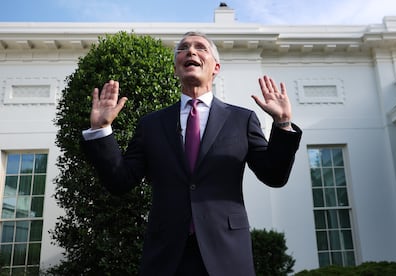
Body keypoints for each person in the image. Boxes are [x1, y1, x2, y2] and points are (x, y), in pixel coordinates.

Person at [81, 31, 302, 276]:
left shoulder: (241, 119)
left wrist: (282, 124)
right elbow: (120, 181)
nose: (191, 51)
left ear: (215, 67)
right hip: (166, 255)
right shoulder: (151, 124)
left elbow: (274, 175)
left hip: (227, 253)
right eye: (183, 48)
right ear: (176, 68)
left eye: (200, 47)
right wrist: (101, 130)